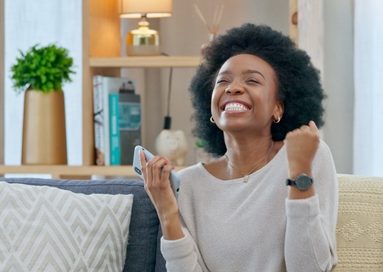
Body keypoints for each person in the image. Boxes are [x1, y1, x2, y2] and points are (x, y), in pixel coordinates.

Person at [139, 23, 338, 272]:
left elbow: (309, 268)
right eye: (223, 81)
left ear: (278, 108)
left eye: (252, 80)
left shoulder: (309, 156)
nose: (233, 88)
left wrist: (299, 173)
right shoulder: (189, 184)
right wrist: (167, 211)